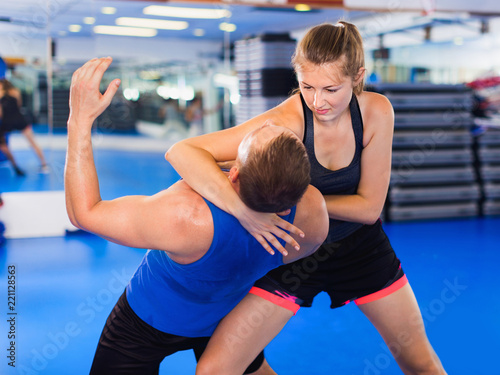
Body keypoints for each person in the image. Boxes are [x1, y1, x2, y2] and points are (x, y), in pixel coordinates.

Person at [166, 22, 447, 374]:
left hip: (362, 249)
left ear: (358, 76)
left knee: (421, 363)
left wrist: (299, 203)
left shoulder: (376, 112)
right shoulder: (286, 120)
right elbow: (182, 151)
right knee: (216, 370)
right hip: (291, 249)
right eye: (307, 87)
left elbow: (369, 207)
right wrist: (244, 209)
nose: (318, 101)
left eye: (331, 89)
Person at [65, 57, 329, 374]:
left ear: (233, 174)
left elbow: (85, 213)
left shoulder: (185, 215)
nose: (268, 123)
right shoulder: (313, 215)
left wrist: (79, 121)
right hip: (226, 319)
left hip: (147, 317)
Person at [0, 78, 49, 174]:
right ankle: (44, 165)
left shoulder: (0, 93)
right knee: (33, 142)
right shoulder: (15, 91)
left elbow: (1, 112)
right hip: (19, 119)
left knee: (3, 146)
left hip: (6, 122)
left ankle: (15, 167)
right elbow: (19, 105)